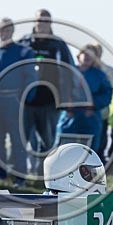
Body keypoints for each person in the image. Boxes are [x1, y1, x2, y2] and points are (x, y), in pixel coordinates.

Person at [18, 9, 74, 176]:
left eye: (46, 20)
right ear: (34, 22)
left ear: (50, 23)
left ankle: (42, 175)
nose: (42, 23)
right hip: (26, 101)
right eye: (39, 20)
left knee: (48, 141)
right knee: (21, 139)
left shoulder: (58, 45)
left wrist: (68, 96)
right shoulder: (24, 43)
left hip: (50, 100)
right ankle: (18, 175)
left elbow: (69, 70)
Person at [0, 17, 36, 186]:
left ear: (12, 31)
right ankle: (0, 174)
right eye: (1, 30)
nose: (5, 32)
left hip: (15, 101)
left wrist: (26, 100)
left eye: (8, 29)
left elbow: (31, 78)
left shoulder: (23, 52)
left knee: (17, 141)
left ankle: (20, 177)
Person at [56, 44, 113, 153]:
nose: (87, 57)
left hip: (90, 118)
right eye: (85, 54)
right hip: (69, 119)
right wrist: (67, 107)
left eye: (91, 55)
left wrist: (92, 106)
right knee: (64, 151)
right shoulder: (69, 72)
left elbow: (107, 94)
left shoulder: (100, 75)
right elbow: (59, 90)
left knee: (88, 153)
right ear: (79, 56)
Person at [92, 42, 113, 161]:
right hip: (86, 113)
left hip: (103, 111)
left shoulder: (109, 70)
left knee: (102, 138)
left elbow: (112, 88)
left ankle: (100, 160)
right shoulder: (83, 70)